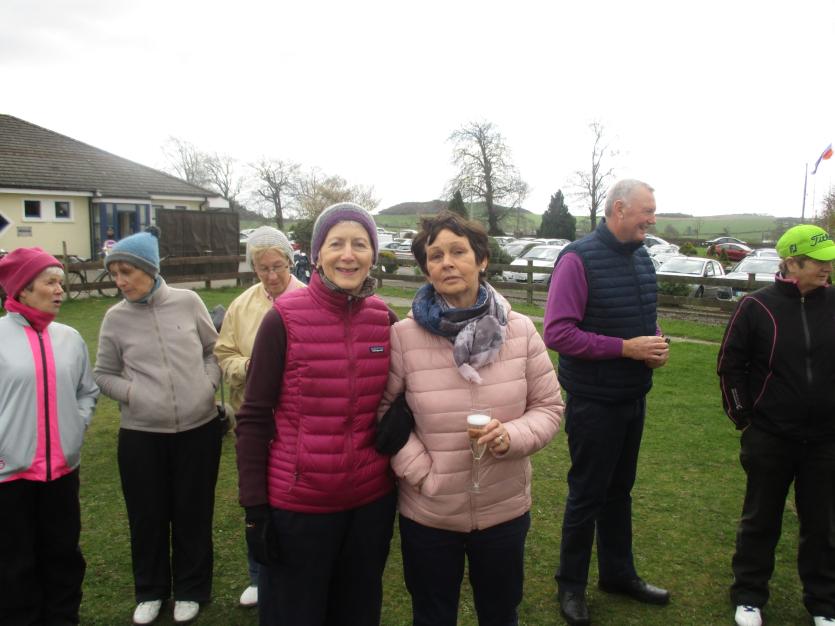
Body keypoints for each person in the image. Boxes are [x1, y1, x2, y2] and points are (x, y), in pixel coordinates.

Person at [379, 211, 563, 626]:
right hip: (429, 514)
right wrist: (425, 475)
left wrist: (512, 435)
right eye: (436, 255)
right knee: (432, 615)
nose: (447, 262)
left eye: (458, 252)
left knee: (499, 613)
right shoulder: (404, 336)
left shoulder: (520, 331)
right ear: (426, 268)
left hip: (503, 510)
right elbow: (385, 413)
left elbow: (549, 406)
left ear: (482, 260)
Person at [236, 202, 396, 626]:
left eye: (360, 244)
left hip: (369, 505)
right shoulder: (283, 319)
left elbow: (406, 391)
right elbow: (253, 417)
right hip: (299, 506)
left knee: (357, 613)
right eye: (336, 243)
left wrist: (403, 415)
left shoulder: (384, 319)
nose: (348, 255)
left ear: (372, 255)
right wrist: (254, 507)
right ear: (316, 254)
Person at [543, 179, 671, 626]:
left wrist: (656, 343)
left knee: (620, 492)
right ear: (619, 208)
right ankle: (571, 585)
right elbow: (557, 332)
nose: (652, 219)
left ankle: (618, 574)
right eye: (647, 211)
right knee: (587, 495)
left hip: (632, 397)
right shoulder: (577, 259)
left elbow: (643, 317)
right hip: (594, 402)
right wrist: (626, 349)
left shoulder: (642, 257)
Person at [93, 231, 223, 625]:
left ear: (149, 269)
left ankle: (191, 589)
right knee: (146, 516)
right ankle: (150, 591)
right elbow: (103, 373)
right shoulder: (115, 318)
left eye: (127, 271)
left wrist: (206, 385)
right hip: (141, 436)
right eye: (114, 273)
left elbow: (213, 349)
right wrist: (135, 394)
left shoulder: (188, 302)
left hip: (199, 430)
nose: (120, 281)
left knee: (193, 513)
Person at [717, 224, 835, 626]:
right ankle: (749, 596)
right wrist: (744, 418)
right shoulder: (756, 306)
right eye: (819, 261)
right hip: (770, 436)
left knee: (823, 523)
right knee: (761, 518)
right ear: (792, 263)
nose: (827, 267)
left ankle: (824, 603)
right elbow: (731, 365)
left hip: (825, 439)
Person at [0, 247, 99, 625]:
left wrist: (75, 426)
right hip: (10, 477)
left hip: (62, 473)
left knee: (63, 556)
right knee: (14, 563)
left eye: (61, 282)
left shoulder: (69, 338)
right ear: (23, 289)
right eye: (50, 282)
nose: (60, 290)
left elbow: (87, 391)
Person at [213, 226, 306, 608]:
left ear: (290, 262)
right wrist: (250, 367)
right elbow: (224, 353)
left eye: (277, 266)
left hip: (298, 421)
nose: (271, 275)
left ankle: (299, 570)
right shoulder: (241, 306)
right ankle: (258, 575)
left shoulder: (308, 300)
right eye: (263, 268)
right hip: (254, 420)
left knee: (296, 497)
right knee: (256, 495)